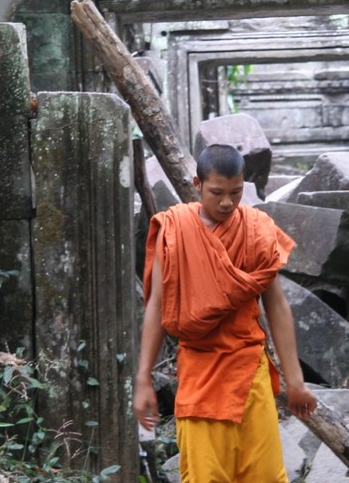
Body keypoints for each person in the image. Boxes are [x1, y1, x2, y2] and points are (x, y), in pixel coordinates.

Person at [133, 144, 318, 483]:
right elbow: (157, 305)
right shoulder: (175, 230)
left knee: (264, 476)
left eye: (236, 193)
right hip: (200, 373)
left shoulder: (255, 228)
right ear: (197, 184)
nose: (227, 203)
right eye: (217, 192)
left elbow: (276, 305)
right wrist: (144, 377)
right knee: (205, 476)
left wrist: (295, 381)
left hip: (250, 371)